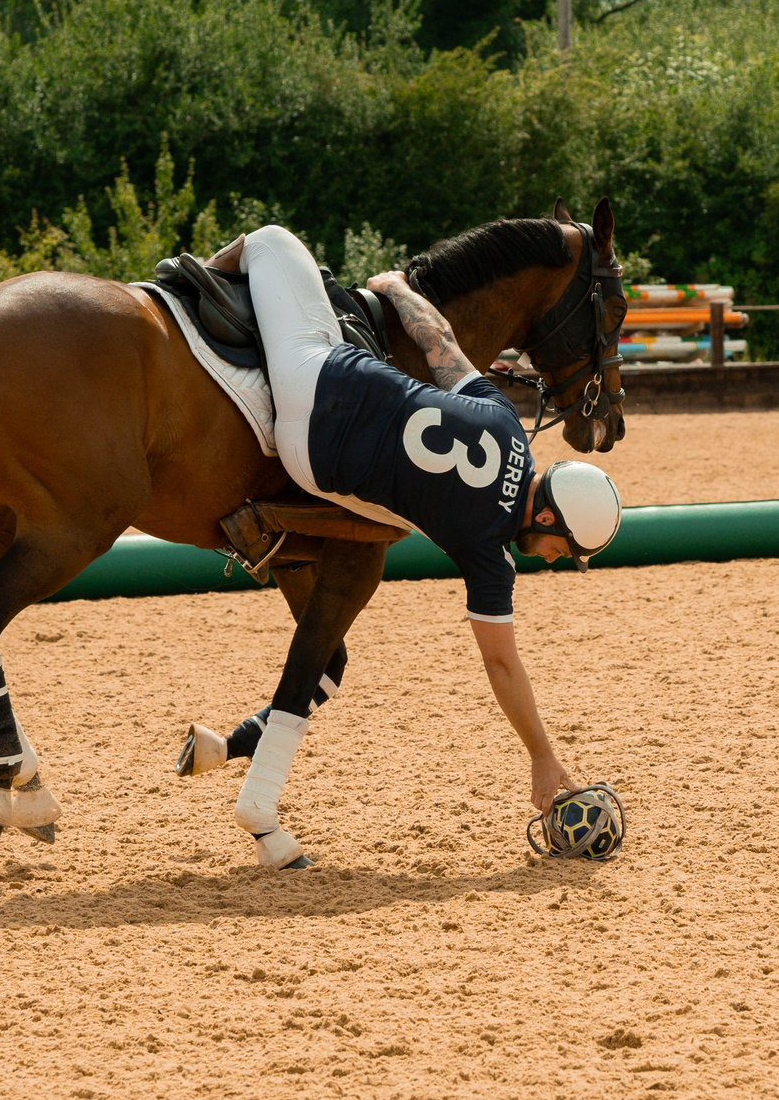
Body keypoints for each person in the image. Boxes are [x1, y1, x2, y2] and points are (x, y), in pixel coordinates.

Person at [179, 224, 622, 820]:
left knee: (274, 240)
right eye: (559, 548)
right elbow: (502, 664)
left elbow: (438, 339)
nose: (550, 558)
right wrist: (542, 755)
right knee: (389, 522)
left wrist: (393, 286)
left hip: (325, 370)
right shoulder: (489, 553)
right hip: (312, 449)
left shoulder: (503, 420)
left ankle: (179, 303)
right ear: (546, 515)